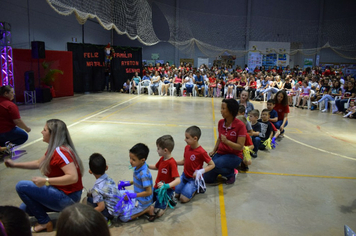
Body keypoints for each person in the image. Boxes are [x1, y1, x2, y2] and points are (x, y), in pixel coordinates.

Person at [4, 119, 84, 233]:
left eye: (44, 130)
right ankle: (45, 219)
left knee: (21, 186)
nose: (42, 132)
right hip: (60, 193)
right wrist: (15, 165)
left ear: (53, 134)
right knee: (24, 209)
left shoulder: (61, 152)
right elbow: (38, 163)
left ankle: (44, 222)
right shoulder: (54, 149)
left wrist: (46, 181)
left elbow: (73, 177)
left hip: (69, 198)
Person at [204, 99, 247, 184]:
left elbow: (240, 146)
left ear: (231, 110)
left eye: (223, 108)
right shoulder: (221, 122)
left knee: (214, 165)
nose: (221, 111)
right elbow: (219, 138)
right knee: (207, 179)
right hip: (220, 153)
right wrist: (214, 150)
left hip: (234, 155)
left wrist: (227, 142)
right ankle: (222, 170)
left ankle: (231, 174)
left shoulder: (240, 125)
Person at [176, 126, 215, 202]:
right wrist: (173, 162)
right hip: (185, 176)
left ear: (195, 139)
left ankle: (196, 187)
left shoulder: (201, 152)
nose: (185, 139)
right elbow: (184, 161)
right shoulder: (187, 148)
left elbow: (212, 164)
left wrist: (200, 171)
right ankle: (187, 187)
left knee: (183, 199)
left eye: (187, 138)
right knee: (176, 194)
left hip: (194, 179)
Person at [147, 135, 180, 221]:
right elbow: (156, 167)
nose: (157, 150)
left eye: (158, 148)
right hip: (157, 188)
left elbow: (178, 179)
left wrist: (166, 186)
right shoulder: (162, 159)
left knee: (157, 212)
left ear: (165, 150)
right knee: (146, 202)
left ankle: (168, 199)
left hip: (165, 190)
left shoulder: (172, 163)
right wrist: (146, 165)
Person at [119, 143, 153, 222]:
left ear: (142, 160)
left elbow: (149, 192)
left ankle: (147, 209)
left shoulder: (144, 173)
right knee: (119, 193)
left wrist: (133, 195)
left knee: (123, 218)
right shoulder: (138, 166)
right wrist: (129, 183)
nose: (131, 161)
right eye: (130, 158)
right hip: (137, 194)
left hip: (143, 202)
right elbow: (139, 181)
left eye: (133, 159)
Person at [86, 153, 119, 226]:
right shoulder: (109, 178)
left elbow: (101, 207)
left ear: (90, 171)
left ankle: (105, 219)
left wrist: (88, 213)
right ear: (106, 167)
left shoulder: (96, 188)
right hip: (118, 208)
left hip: (110, 213)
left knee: (88, 200)